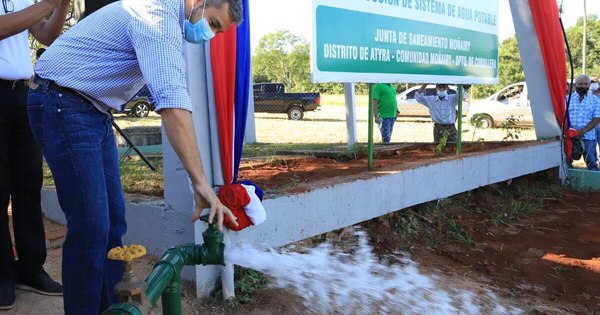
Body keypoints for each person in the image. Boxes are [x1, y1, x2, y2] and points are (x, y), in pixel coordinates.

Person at [27, 0, 242, 313]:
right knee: (92, 227)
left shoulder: (164, 19)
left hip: (90, 108)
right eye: (213, 23)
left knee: (113, 223)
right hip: (61, 102)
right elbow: (172, 105)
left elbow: (175, 96)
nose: (210, 34)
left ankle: (115, 310)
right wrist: (201, 184)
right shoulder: (156, 17)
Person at [0, 0, 70, 310]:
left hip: (22, 92)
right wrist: (50, 3)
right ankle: (2, 275)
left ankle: (31, 267)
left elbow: (46, 36)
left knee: (29, 186)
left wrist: (62, 5)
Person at [567, 74, 600, 171]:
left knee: (592, 162)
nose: (583, 86)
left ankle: (594, 184)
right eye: (580, 84)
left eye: (585, 84)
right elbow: (563, 117)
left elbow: (597, 118)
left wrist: (582, 132)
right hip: (570, 137)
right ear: (575, 85)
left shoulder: (595, 100)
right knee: (567, 161)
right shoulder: (567, 99)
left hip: (588, 137)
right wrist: (573, 132)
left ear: (589, 85)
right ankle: (568, 182)